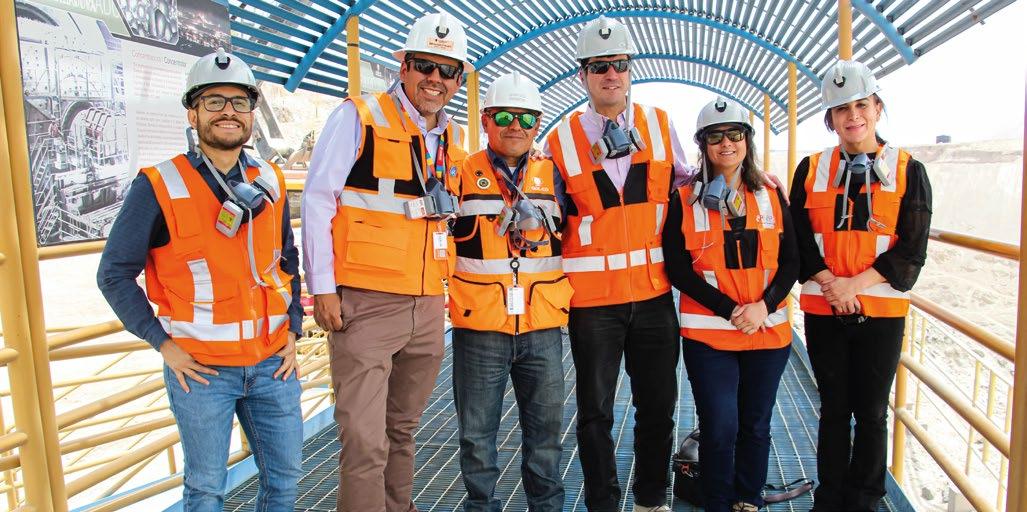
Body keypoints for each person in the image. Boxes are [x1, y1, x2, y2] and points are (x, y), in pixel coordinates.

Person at [97, 48, 303, 510]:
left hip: (273, 363)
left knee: (285, 482)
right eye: (214, 101)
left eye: (239, 102)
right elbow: (113, 274)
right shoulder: (159, 185)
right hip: (202, 370)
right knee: (207, 489)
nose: (228, 112)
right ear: (192, 113)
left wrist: (292, 327)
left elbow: (286, 261)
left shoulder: (269, 179)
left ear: (251, 114)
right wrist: (163, 344)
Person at [300, 11, 471, 512]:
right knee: (364, 439)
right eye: (425, 66)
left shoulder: (453, 140)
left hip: (426, 304)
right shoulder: (359, 117)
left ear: (459, 80)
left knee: (402, 430)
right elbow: (317, 200)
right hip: (365, 304)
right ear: (404, 66)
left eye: (448, 70)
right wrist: (323, 288)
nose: (435, 79)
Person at [544, 15, 696, 512]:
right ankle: (603, 504)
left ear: (630, 70)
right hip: (592, 304)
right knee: (595, 414)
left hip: (653, 296)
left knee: (659, 408)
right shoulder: (560, 140)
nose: (611, 74)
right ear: (583, 75)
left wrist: (751, 180)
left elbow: (688, 181)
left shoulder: (659, 124)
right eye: (599, 66)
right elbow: (545, 210)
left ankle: (651, 499)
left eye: (619, 64)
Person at [788, 59, 932, 511]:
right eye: (841, 109)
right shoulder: (811, 169)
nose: (853, 116)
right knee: (833, 409)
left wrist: (853, 285)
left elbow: (912, 248)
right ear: (829, 119)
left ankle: (865, 500)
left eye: (861, 105)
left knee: (871, 412)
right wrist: (830, 282)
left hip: (881, 314)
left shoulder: (909, 170)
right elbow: (797, 239)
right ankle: (829, 499)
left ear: (877, 108)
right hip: (824, 309)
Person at [662, 97, 798, 512]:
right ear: (702, 144)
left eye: (734, 134)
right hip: (711, 338)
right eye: (715, 136)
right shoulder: (684, 198)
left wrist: (763, 307)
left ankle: (748, 499)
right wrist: (730, 310)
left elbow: (792, 260)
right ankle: (718, 503)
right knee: (720, 427)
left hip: (767, 332)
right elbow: (678, 268)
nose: (726, 143)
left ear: (747, 140)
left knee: (755, 425)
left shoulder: (771, 193)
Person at [449, 71, 570, 512]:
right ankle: (481, 506)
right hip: (479, 327)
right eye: (503, 116)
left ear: (538, 124)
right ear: (486, 120)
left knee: (546, 436)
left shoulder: (555, 175)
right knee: (476, 437)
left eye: (526, 118)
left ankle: (547, 507)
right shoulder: (461, 172)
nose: (515, 125)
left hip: (542, 327)